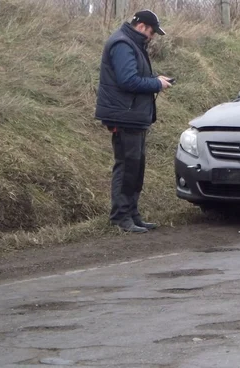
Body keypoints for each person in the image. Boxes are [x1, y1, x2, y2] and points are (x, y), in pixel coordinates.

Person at [94, 10, 173, 233]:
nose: (153, 37)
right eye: (152, 32)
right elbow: (128, 80)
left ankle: (132, 213)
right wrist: (156, 84)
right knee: (127, 167)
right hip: (124, 116)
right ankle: (121, 217)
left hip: (133, 116)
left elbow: (134, 76)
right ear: (142, 27)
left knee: (136, 168)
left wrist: (156, 80)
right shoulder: (122, 44)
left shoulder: (131, 44)